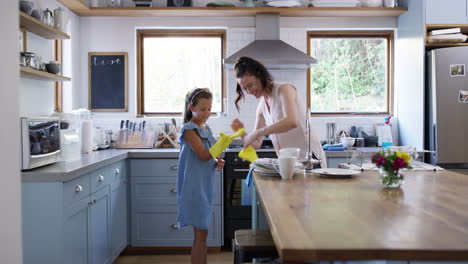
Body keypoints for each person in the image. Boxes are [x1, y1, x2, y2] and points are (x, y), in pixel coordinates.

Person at [231, 56, 327, 168]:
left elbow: (292, 121)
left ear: (260, 75)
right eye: (245, 89)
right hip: (289, 164)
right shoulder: (262, 107)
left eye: (250, 85)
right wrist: (242, 133)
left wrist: (258, 132)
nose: (249, 91)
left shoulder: (284, 89)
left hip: (309, 159)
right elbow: (256, 144)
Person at [177, 88, 225, 264]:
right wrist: (224, 143)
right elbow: (203, 155)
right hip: (194, 187)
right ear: (192, 107)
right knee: (201, 235)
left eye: (210, 109)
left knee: (202, 236)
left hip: (205, 185)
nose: (207, 113)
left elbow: (211, 158)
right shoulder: (189, 130)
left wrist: (219, 162)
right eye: (203, 109)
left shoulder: (206, 128)